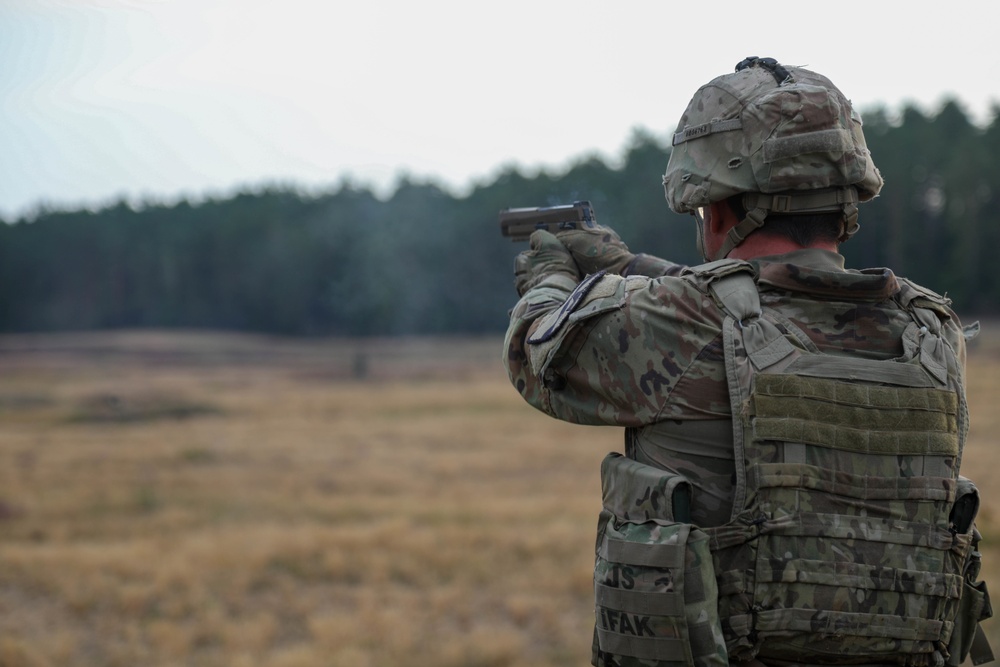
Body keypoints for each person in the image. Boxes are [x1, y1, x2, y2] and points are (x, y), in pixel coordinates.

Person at [503, 57, 992, 667]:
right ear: (845, 197)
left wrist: (550, 277)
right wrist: (627, 266)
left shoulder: (682, 324)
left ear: (719, 207)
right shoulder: (931, 331)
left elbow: (537, 352)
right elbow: (762, 303)